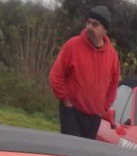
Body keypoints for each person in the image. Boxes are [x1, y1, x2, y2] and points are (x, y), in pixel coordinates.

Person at [49, 6, 121, 139]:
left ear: (105, 29)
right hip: (72, 112)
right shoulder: (72, 46)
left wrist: (105, 106)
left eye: (95, 24)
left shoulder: (112, 55)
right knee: (72, 149)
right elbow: (56, 75)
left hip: (94, 116)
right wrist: (65, 99)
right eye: (88, 22)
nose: (89, 27)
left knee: (86, 151)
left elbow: (115, 81)